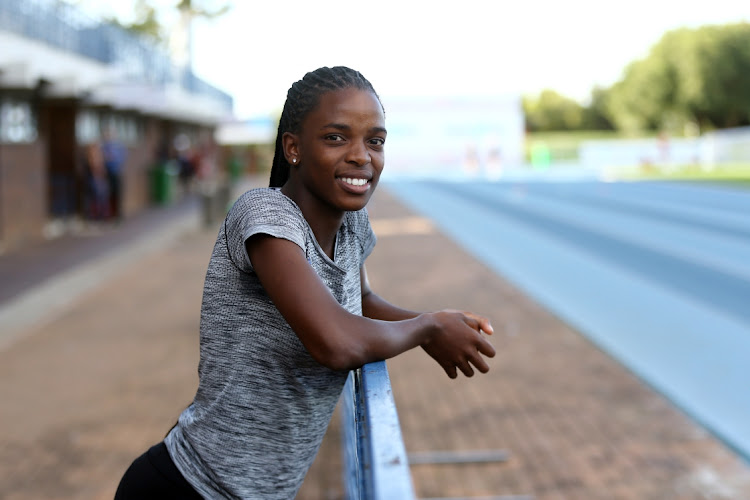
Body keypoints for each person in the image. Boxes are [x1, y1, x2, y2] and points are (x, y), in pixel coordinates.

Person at [115, 66, 496, 500]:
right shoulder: (264, 217)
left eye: (375, 141)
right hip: (189, 488)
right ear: (293, 147)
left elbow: (361, 301)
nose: (361, 155)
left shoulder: (352, 224)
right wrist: (426, 329)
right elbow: (334, 342)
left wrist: (437, 324)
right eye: (336, 137)